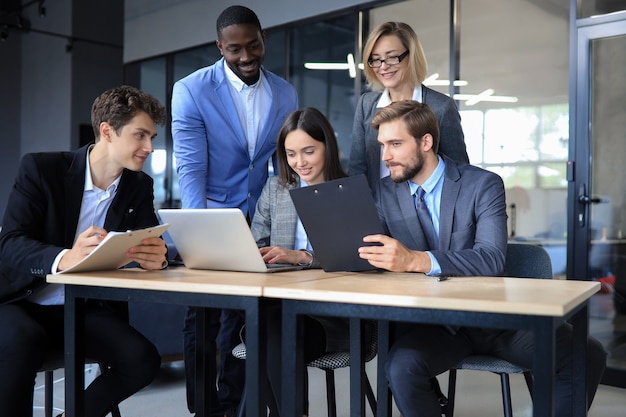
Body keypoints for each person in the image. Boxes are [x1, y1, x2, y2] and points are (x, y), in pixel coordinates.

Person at [357, 100, 607, 417]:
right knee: (401, 369)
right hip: (435, 327)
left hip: (497, 320)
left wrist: (417, 260)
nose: (385, 156)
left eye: (395, 144)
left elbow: (490, 259)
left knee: (586, 352)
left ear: (426, 142)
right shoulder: (382, 193)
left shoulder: (482, 185)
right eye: (382, 145)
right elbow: (368, 256)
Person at [0, 85, 167, 417]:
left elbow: (150, 242)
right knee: (23, 342)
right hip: (20, 301)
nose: (149, 146)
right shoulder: (40, 169)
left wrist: (156, 259)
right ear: (107, 131)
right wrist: (65, 257)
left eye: (152, 136)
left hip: (82, 308)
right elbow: (10, 243)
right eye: (140, 135)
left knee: (142, 360)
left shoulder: (138, 186)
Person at [171, 5, 298, 416]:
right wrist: (198, 233)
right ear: (219, 47)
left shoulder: (285, 92)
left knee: (242, 318)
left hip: (256, 217)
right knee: (204, 317)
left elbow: (282, 164)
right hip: (210, 214)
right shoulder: (192, 90)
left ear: (264, 38)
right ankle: (203, 407)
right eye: (234, 49)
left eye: (253, 45)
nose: (246, 57)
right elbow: (190, 167)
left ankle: (231, 406)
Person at [250, 107, 351, 416]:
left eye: (309, 151)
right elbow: (257, 243)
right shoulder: (277, 190)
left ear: (327, 147)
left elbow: (356, 256)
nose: (300, 162)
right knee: (268, 327)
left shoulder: (349, 191)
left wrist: (303, 257)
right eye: (291, 153)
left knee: (269, 333)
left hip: (329, 316)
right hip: (279, 305)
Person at [349, 21, 469, 192]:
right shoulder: (366, 104)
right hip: (377, 207)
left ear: (411, 56)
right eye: (375, 60)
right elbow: (357, 169)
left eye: (391, 57)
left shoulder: (441, 107)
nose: (383, 66)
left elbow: (458, 172)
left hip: (424, 209)